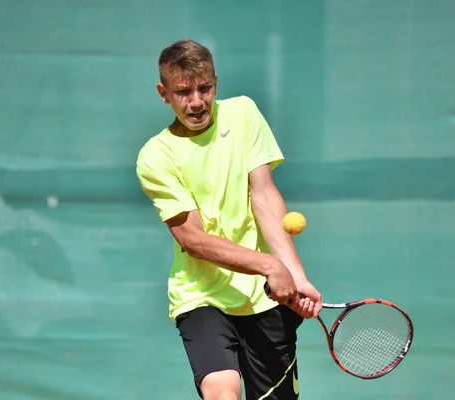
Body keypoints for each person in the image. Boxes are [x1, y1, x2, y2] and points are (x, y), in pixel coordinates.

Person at [136, 39, 322, 400]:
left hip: (265, 301)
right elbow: (193, 239)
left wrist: (295, 276)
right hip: (202, 298)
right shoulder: (155, 157)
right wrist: (269, 265)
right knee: (223, 393)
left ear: (216, 83)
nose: (196, 101)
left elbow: (264, 197)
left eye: (204, 88)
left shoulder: (243, 114)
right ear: (164, 94)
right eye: (183, 92)